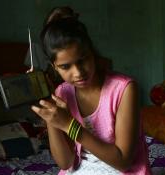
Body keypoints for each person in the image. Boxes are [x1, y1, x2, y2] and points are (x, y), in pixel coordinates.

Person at [31, 6, 151, 175]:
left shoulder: (124, 88)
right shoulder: (61, 93)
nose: (78, 72)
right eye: (65, 67)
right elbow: (65, 163)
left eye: (83, 59)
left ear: (92, 52)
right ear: (55, 68)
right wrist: (51, 115)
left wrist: (69, 126)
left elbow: (124, 162)